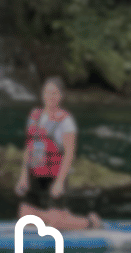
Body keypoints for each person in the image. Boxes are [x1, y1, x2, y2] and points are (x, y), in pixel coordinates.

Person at [14, 77, 102, 231]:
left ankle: (90, 222)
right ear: (42, 94)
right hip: (35, 174)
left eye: (54, 93)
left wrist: (60, 182)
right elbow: (29, 147)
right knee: (25, 219)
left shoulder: (66, 121)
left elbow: (69, 154)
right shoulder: (34, 116)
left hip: (54, 175)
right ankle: (62, 215)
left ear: (61, 96)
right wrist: (23, 176)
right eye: (47, 92)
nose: (50, 97)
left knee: (55, 224)